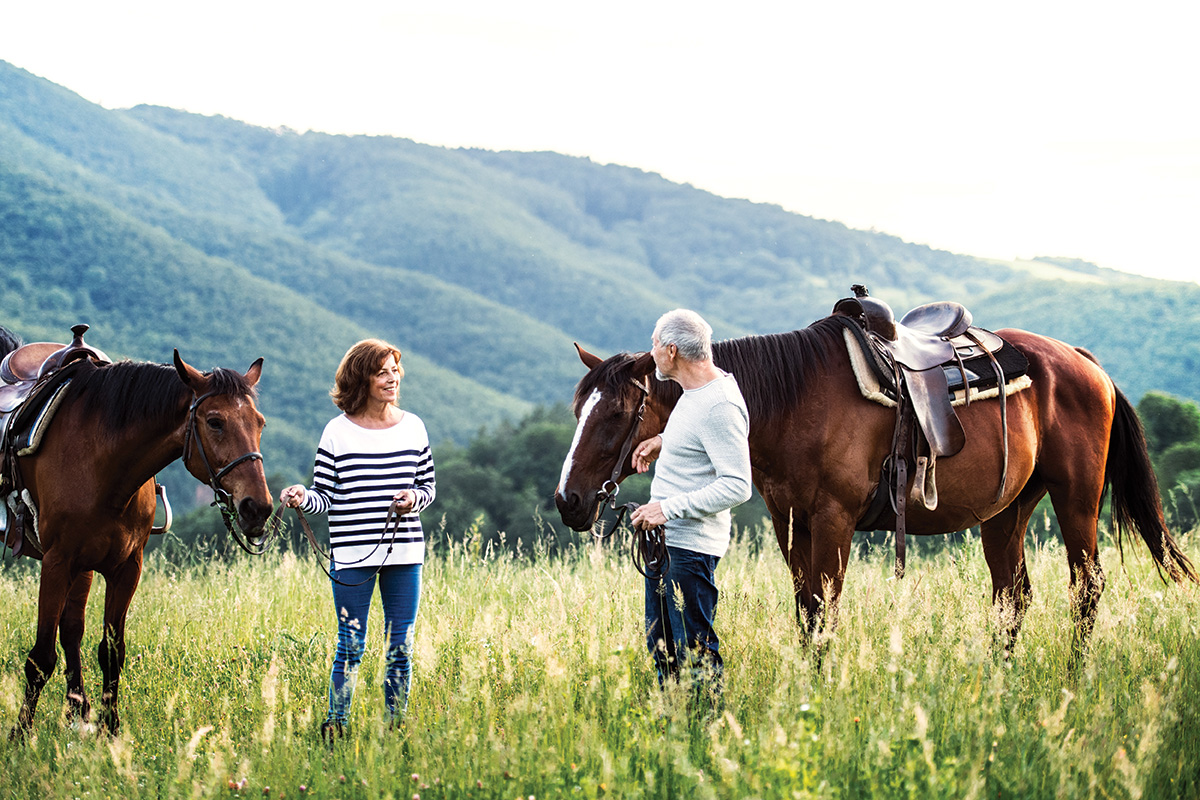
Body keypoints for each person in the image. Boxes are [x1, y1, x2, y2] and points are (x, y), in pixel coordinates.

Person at [280, 339, 435, 740]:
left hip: (404, 552)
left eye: (395, 370)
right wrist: (301, 496)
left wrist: (412, 498)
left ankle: (396, 725)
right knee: (351, 645)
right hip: (351, 554)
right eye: (382, 372)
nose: (392, 378)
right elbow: (324, 497)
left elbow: (428, 488)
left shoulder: (414, 426)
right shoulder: (336, 432)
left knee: (401, 645)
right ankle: (337, 724)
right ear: (361, 379)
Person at [629, 309, 752, 706]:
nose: (651, 354)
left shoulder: (720, 404)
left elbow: (737, 484)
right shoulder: (693, 393)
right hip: (667, 544)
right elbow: (702, 439)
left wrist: (668, 509)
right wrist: (664, 441)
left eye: (654, 345)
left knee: (695, 651)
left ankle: (706, 730)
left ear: (672, 350)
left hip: (690, 548)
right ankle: (674, 727)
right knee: (662, 646)